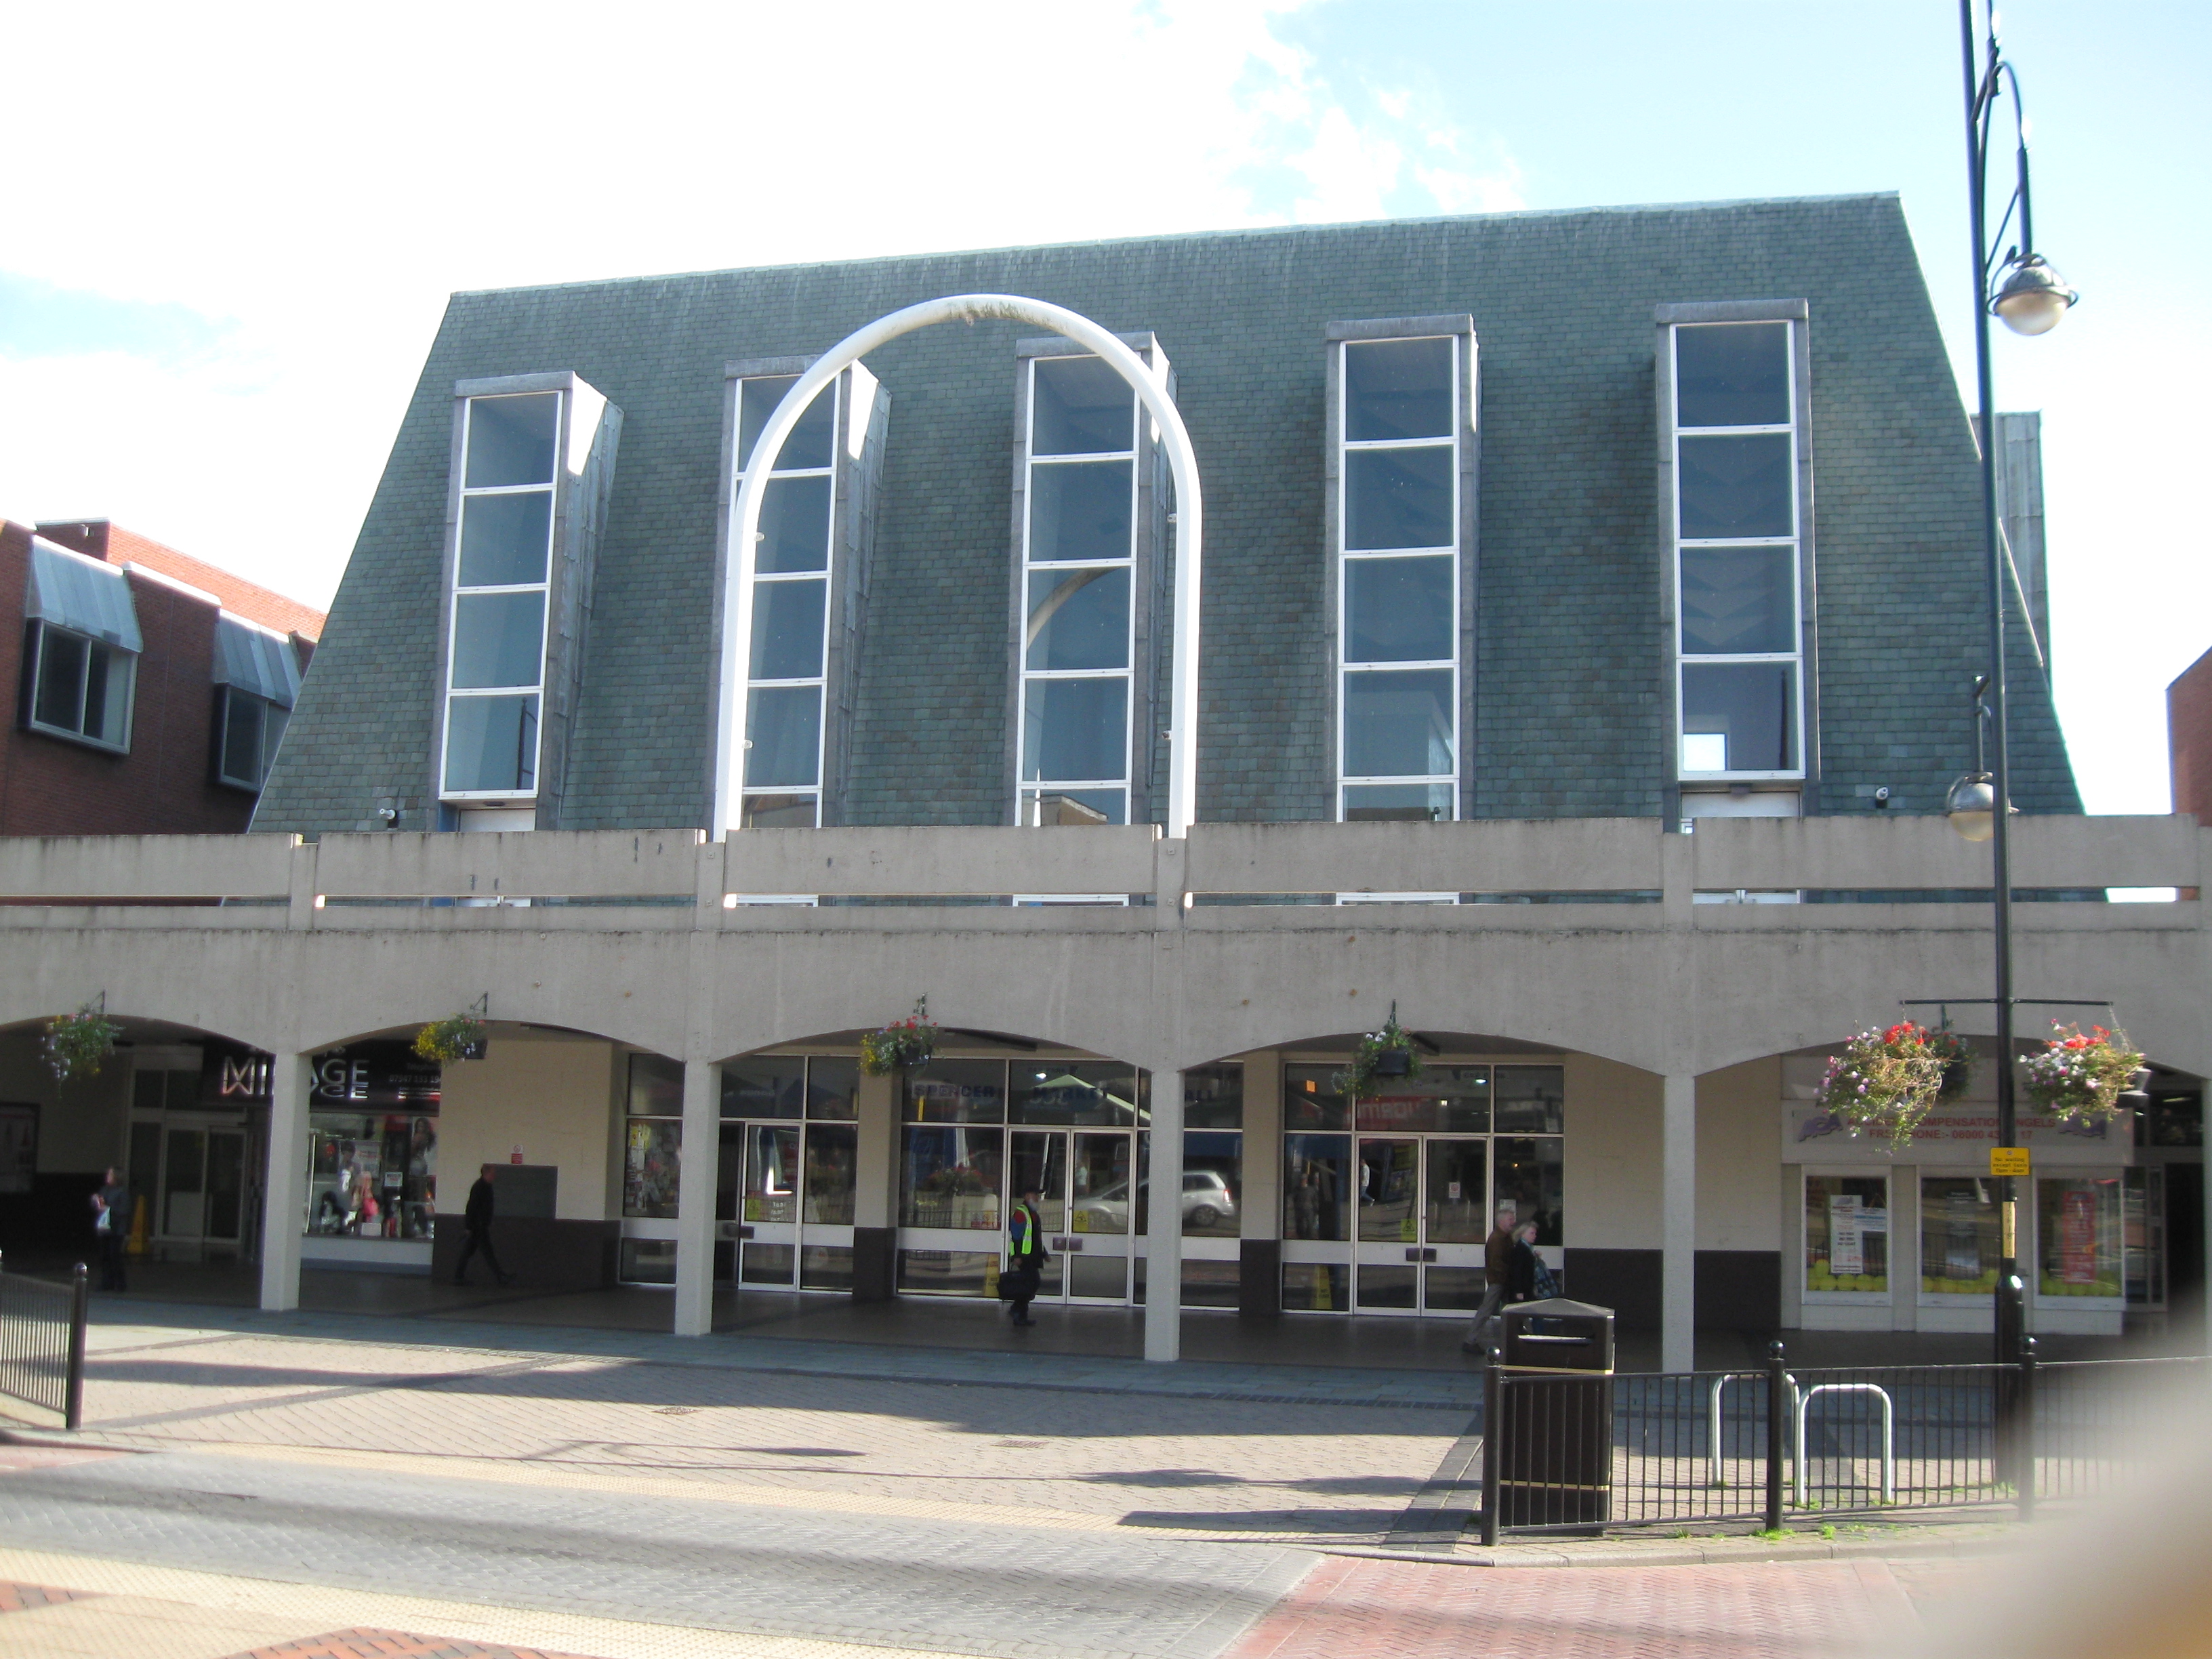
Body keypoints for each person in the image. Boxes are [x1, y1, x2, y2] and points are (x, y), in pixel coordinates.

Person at [1461, 1206, 1518, 1354]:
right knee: (1487, 1310)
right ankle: (1470, 1340)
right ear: (1502, 1221)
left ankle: (1514, 1339)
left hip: (1503, 1280)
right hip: (1499, 1281)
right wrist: (1509, 1275)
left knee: (1507, 1310)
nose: (1514, 1222)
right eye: (1510, 1219)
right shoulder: (1497, 1240)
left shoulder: (1505, 1237)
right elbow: (1496, 1263)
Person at [453, 1164, 514, 1286]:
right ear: (487, 1173)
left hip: (479, 1225)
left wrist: (470, 1226)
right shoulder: (480, 1187)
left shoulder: (484, 1186)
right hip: (479, 1226)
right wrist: (470, 1226)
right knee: (487, 1252)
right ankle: (500, 1277)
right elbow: (471, 1208)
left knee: (469, 1251)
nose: (494, 1175)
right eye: (493, 1173)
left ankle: (459, 1276)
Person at [1005, 1185, 1048, 1327]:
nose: (1038, 1198)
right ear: (1027, 1196)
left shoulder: (1033, 1213)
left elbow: (1035, 1238)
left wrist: (1044, 1253)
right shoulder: (1021, 1213)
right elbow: (1017, 1237)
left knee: (1030, 1285)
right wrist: (1017, 1256)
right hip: (1024, 1258)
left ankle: (1018, 1312)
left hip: (1032, 1256)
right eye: (1035, 1195)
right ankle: (1018, 1312)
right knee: (1030, 1285)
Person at [90, 1167, 129, 1291]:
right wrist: (96, 1202)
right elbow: (97, 1205)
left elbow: (124, 1211)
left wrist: (109, 1209)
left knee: (114, 1255)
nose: (108, 1176)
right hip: (105, 1228)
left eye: (110, 1175)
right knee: (104, 1256)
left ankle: (120, 1283)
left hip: (117, 1229)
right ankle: (106, 1282)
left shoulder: (122, 1193)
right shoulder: (104, 1190)